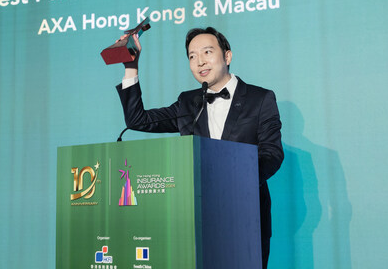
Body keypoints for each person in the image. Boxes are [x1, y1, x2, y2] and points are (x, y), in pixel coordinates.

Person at [116, 27, 283, 268]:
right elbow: (137, 120)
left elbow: (272, 154)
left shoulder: (260, 99)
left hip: (245, 217)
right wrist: (131, 66)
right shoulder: (188, 102)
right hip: (195, 222)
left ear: (227, 56)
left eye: (207, 52)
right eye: (192, 56)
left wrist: (235, 182)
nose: (199, 61)